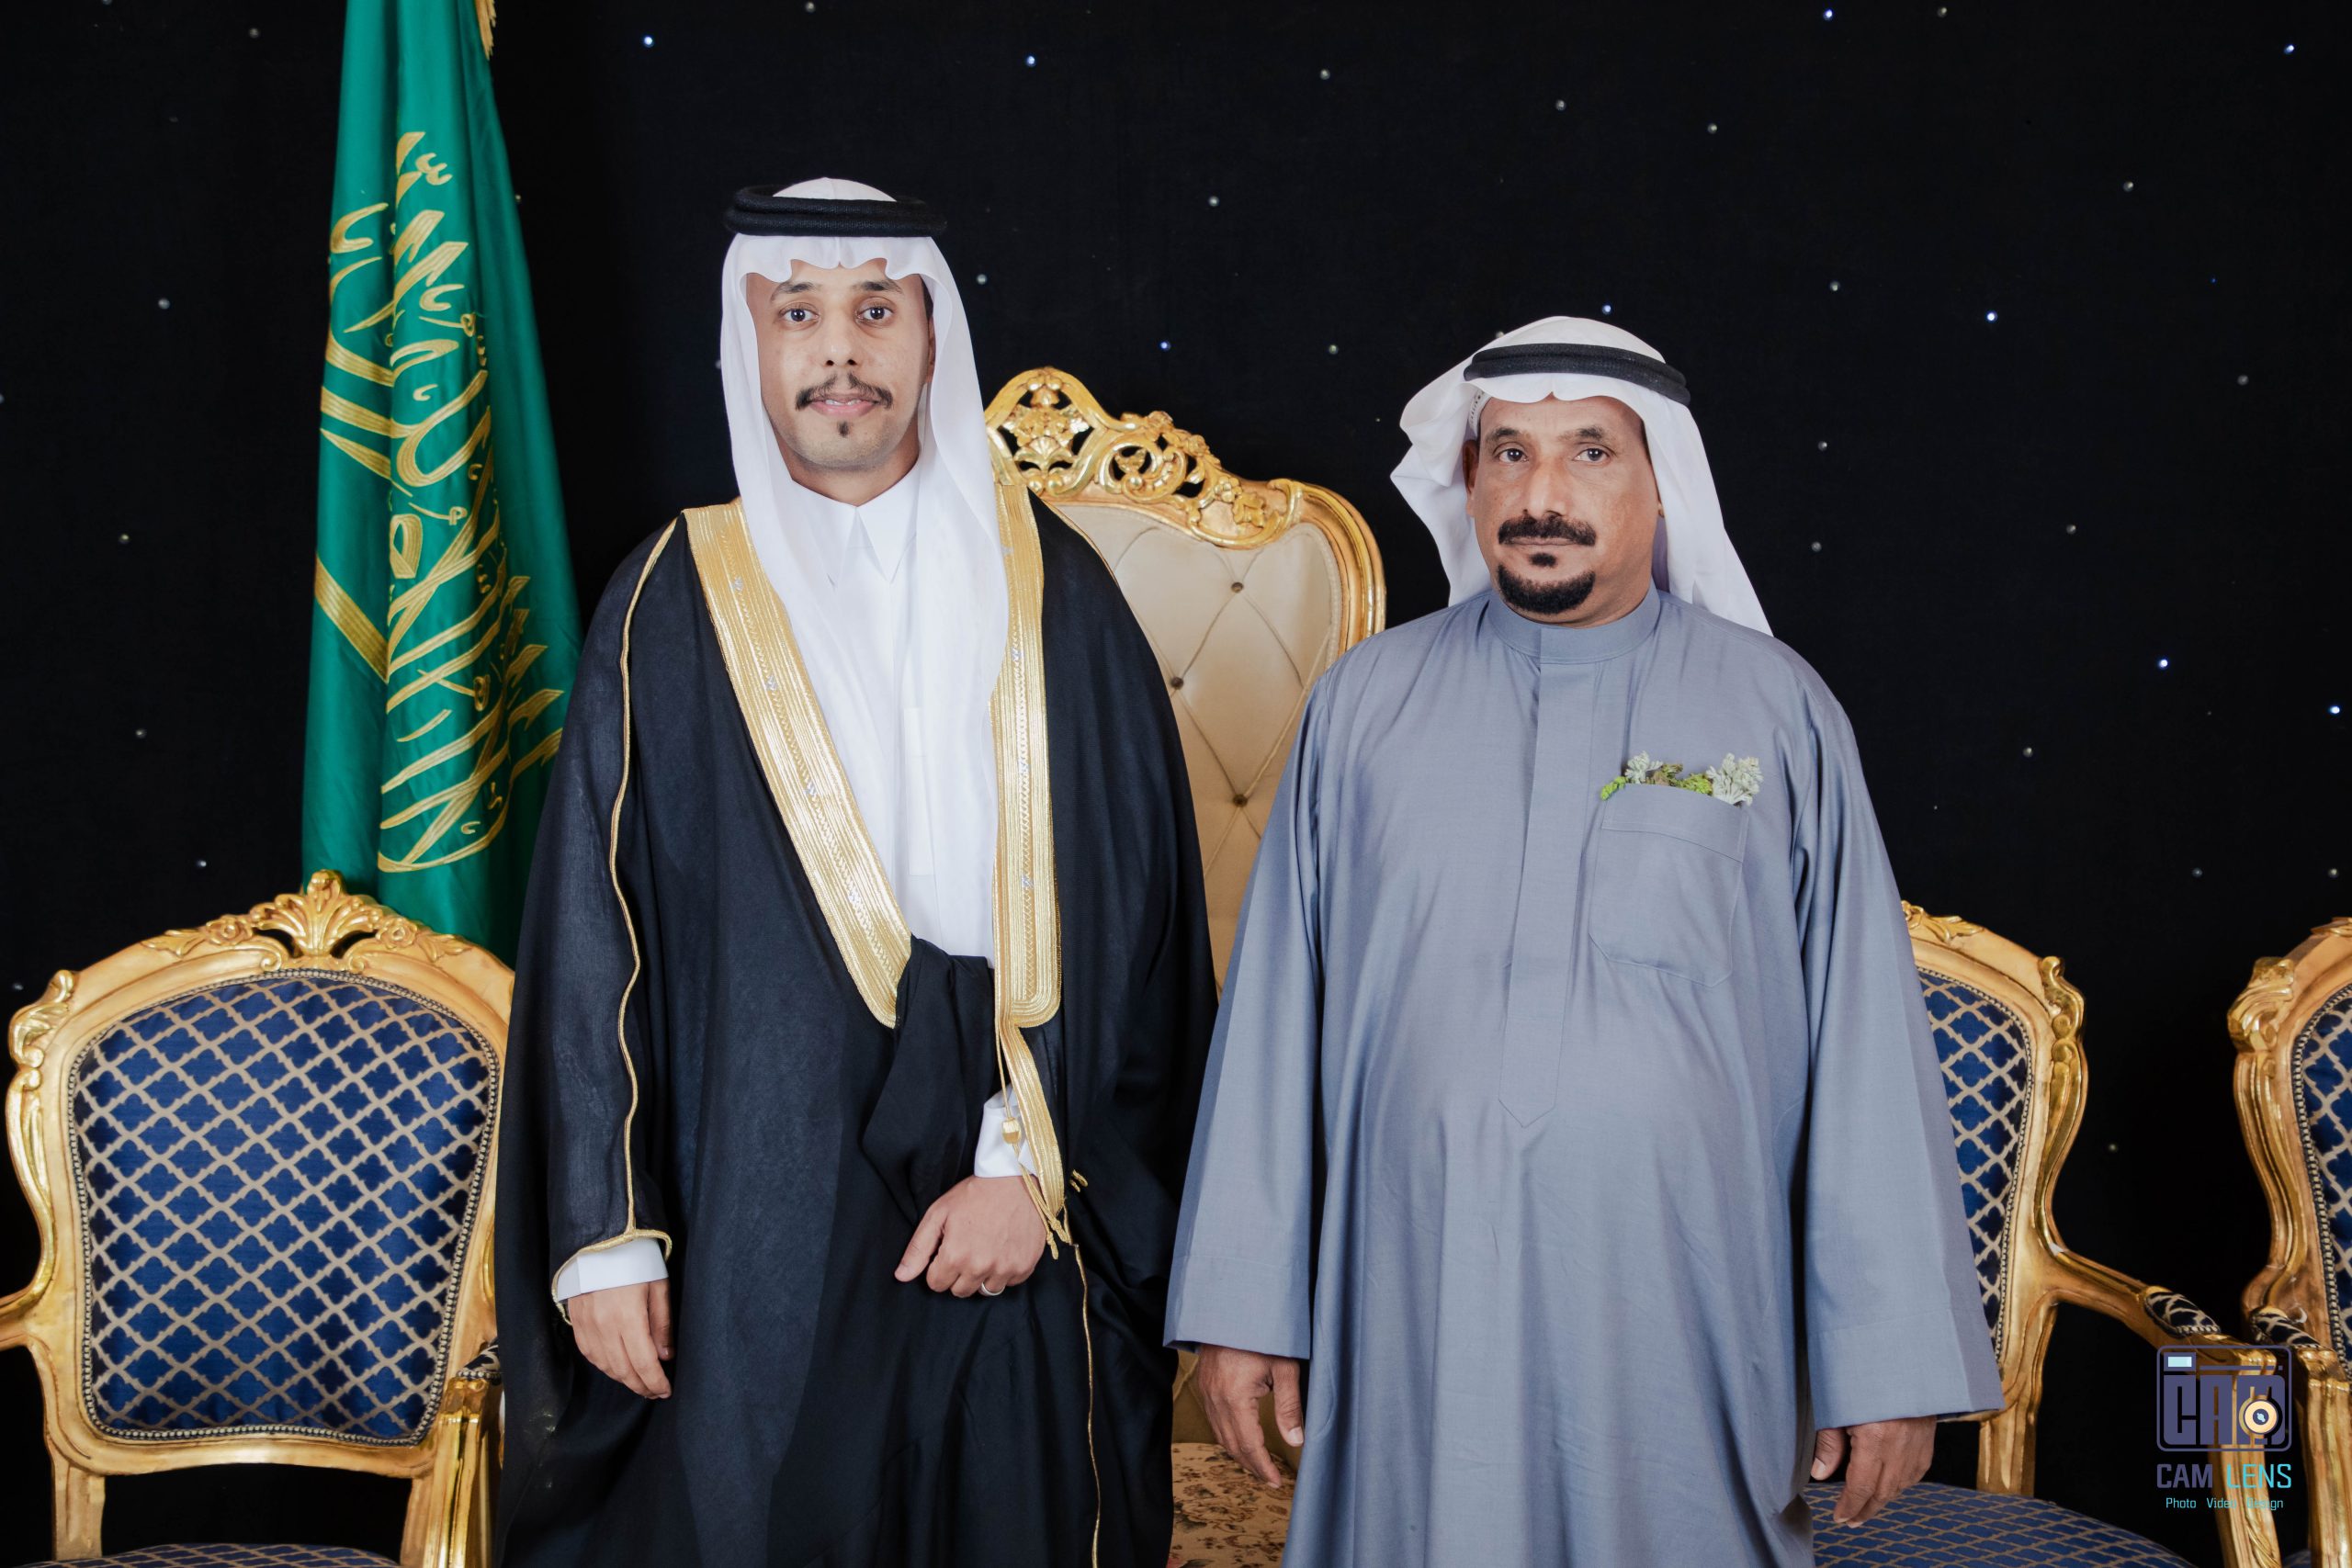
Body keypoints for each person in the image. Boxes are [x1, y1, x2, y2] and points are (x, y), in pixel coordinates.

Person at [1164, 316, 2004, 1565]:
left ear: (1663, 483)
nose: (1540, 495)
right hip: (1411, 1302)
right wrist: (1242, 1305)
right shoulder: (1364, 709)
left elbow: (1865, 1055)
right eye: (1509, 453)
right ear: (1470, 480)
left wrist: (1887, 1361)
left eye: (1590, 453)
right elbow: (1273, 1028)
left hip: (1687, 1310)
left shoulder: (1777, 712)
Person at [496, 177, 1216, 1568]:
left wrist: (1029, 1165)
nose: (839, 349)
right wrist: (610, 1236)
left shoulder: (1062, 594)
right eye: (800, 314)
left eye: (877, 311)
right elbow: (596, 932)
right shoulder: (668, 598)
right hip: (753, 1203)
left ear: (934, 338)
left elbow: (1137, 914)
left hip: (1015, 1205)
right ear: (749, 344)